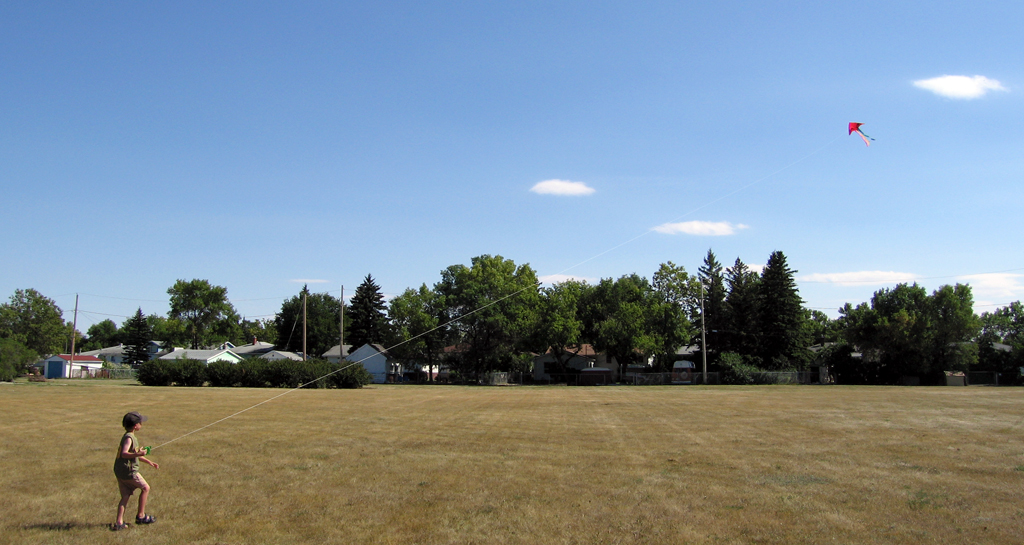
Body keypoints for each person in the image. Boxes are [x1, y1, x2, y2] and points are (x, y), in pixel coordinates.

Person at [112, 411, 159, 531]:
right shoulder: (129, 438)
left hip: (120, 471)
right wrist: (138, 454)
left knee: (125, 496)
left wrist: (148, 461)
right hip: (129, 472)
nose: (141, 424)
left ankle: (119, 523)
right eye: (140, 423)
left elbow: (132, 455)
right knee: (146, 488)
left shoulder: (127, 435)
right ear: (135, 426)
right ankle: (141, 516)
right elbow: (124, 453)